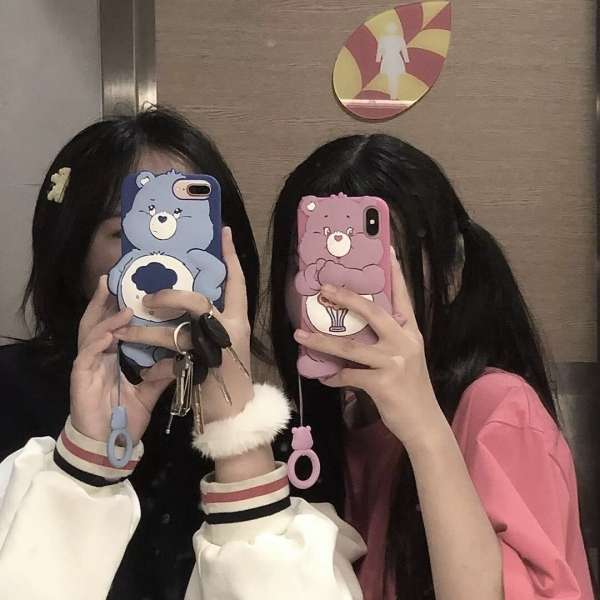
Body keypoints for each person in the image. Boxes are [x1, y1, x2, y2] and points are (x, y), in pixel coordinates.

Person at [0, 107, 364, 599]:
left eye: (192, 229)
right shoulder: (10, 394)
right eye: (131, 231)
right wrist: (86, 459)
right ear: (74, 253)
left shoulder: (288, 434)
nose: (166, 256)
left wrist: (238, 433)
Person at [268, 133, 596, 600]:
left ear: (451, 270)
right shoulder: (325, 424)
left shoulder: (499, 410)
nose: (337, 292)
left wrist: (424, 432)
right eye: (307, 264)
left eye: (374, 262)